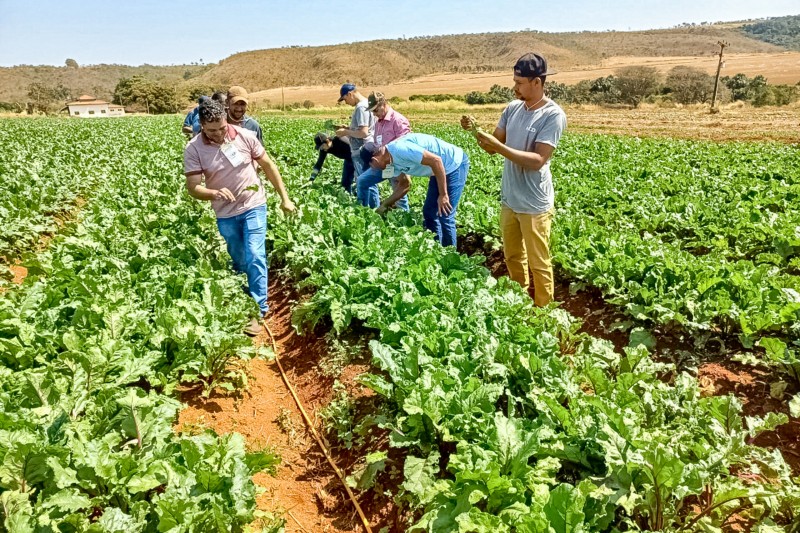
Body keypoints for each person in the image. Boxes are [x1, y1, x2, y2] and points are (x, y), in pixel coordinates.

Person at [460, 52, 567, 307]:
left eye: (519, 83)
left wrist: (499, 146)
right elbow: (493, 146)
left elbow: (538, 160)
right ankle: (519, 302)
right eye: (515, 81)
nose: (514, 87)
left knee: (539, 263)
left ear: (537, 82)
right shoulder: (512, 109)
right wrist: (477, 132)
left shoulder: (552, 115)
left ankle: (544, 312)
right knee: (512, 256)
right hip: (510, 197)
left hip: (534, 203)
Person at [183, 100, 295, 335]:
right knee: (238, 256)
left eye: (222, 128)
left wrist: (285, 198)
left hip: (254, 205)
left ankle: (258, 309)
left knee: (255, 253)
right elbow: (193, 187)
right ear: (201, 125)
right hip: (224, 213)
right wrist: (213, 193)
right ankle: (240, 290)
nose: (219, 134)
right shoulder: (193, 148)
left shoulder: (245, 136)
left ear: (226, 121)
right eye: (212, 130)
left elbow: (268, 166)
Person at [370, 133, 469, 247]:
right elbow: (404, 185)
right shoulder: (389, 162)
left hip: (454, 164)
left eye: (373, 166)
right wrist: (385, 205)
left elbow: (436, 160)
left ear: (375, 159)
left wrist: (443, 194)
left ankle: (452, 256)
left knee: (445, 214)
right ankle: (436, 249)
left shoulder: (400, 150)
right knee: (429, 212)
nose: (375, 169)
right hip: (437, 170)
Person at [355, 91, 410, 211]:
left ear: (383, 104)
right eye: (372, 111)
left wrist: (388, 155)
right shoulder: (378, 122)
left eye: (375, 110)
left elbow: (406, 145)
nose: (374, 114)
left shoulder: (398, 120)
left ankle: (405, 222)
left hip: (397, 165)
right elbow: (378, 143)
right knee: (362, 181)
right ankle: (364, 211)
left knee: (400, 195)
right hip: (383, 165)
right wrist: (370, 149)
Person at [334, 83, 376, 206]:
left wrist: (346, 132)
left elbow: (363, 132)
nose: (345, 102)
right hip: (367, 148)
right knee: (368, 180)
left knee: (366, 181)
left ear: (350, 94)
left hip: (361, 150)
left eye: (345, 98)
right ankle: (373, 210)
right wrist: (348, 127)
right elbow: (362, 128)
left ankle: (372, 210)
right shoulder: (367, 104)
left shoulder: (360, 107)